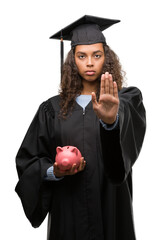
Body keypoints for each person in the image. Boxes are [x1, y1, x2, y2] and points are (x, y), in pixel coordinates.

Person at [15, 15, 146, 240]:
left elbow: (123, 158)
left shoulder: (124, 101)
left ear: (106, 58)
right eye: (81, 56)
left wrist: (111, 122)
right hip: (68, 214)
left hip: (111, 210)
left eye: (97, 55)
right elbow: (28, 160)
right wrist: (53, 171)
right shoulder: (51, 109)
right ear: (72, 60)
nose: (89, 62)